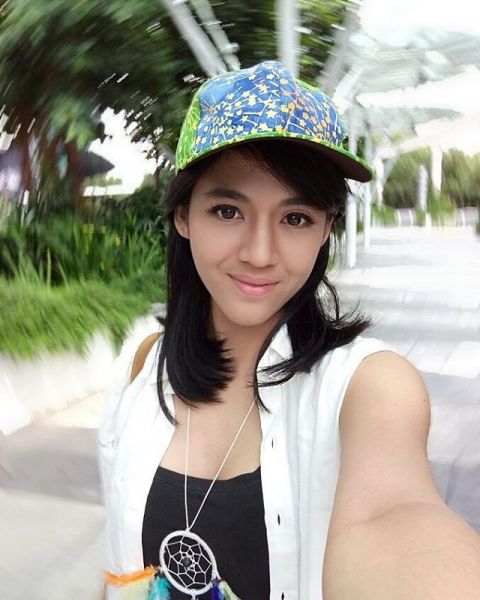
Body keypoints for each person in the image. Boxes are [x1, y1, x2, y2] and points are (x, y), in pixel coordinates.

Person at [98, 61, 480, 600]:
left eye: (295, 218)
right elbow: (119, 567)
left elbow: (397, 513)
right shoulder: (144, 365)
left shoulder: (369, 386)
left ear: (326, 229)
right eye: (228, 211)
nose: (259, 253)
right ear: (183, 215)